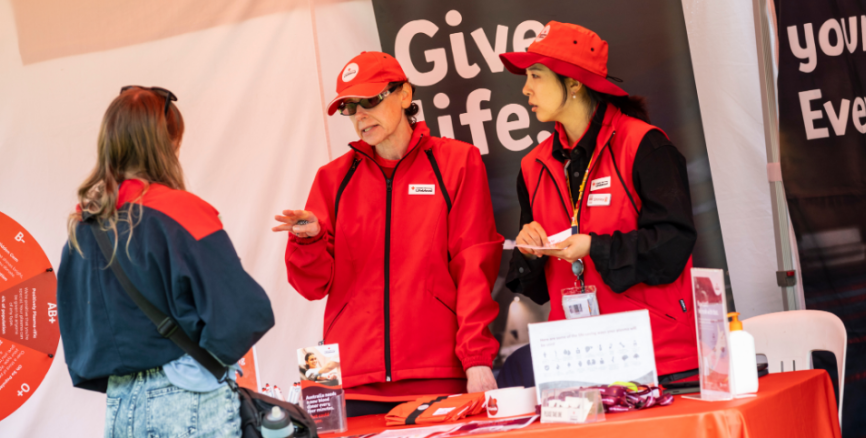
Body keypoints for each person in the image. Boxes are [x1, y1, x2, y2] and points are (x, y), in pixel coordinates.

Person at [275, 52, 503, 416]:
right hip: (350, 382)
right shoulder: (331, 179)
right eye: (351, 107)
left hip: (438, 375)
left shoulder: (457, 162)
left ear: (404, 94)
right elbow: (311, 286)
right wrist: (309, 240)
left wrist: (477, 358)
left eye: (370, 100)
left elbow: (474, 266)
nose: (361, 115)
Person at [58, 86, 275, 438]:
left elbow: (80, 334)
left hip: (121, 404)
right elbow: (243, 312)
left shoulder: (83, 226)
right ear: (167, 143)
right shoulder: (181, 212)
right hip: (189, 398)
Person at [500, 21, 699, 385]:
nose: (526, 89)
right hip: (575, 365)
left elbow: (673, 243)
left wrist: (595, 246)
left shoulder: (645, 145)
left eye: (536, 76)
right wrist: (528, 253)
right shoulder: (533, 167)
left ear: (574, 83)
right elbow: (537, 289)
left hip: (657, 359)